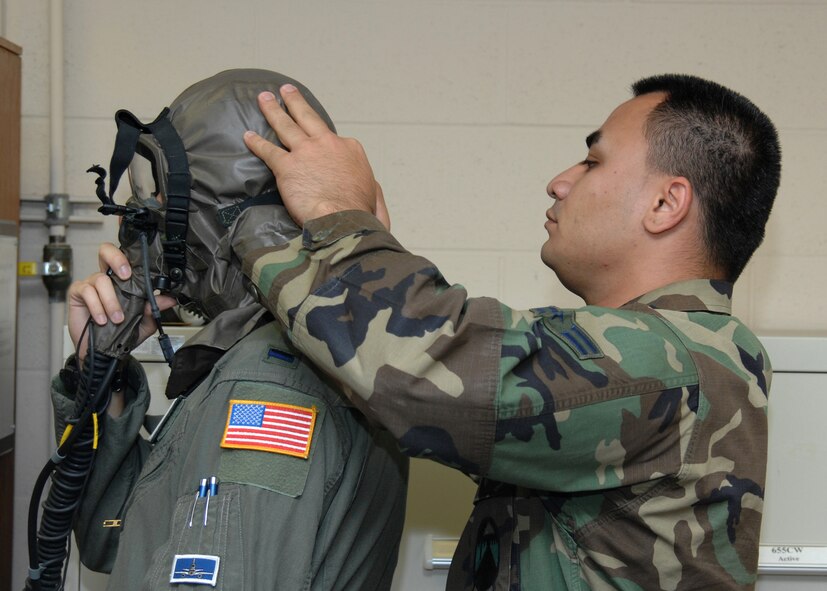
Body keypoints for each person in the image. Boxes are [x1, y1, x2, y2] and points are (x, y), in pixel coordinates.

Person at [231, 74, 781, 590]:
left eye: (592, 161)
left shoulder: (668, 358)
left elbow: (434, 369)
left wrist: (337, 217)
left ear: (665, 204)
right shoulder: (692, 352)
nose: (559, 182)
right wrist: (356, 258)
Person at [54, 69, 407, 590]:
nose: (144, 219)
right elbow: (115, 538)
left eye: (165, 196)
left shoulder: (267, 383)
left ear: (215, 216)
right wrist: (100, 373)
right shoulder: (292, 345)